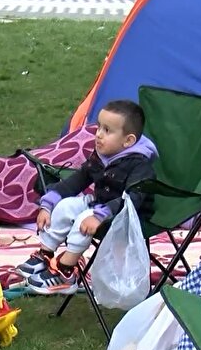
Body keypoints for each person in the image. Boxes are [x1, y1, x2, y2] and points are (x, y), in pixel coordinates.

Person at [17, 100, 158, 295]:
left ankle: (66, 272)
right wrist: (48, 203)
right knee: (66, 206)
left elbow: (132, 199)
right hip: (99, 205)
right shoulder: (102, 155)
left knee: (83, 219)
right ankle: (46, 253)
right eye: (99, 127)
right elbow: (77, 180)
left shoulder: (139, 165)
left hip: (129, 216)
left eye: (107, 131)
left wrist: (101, 215)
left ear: (128, 141)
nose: (98, 134)